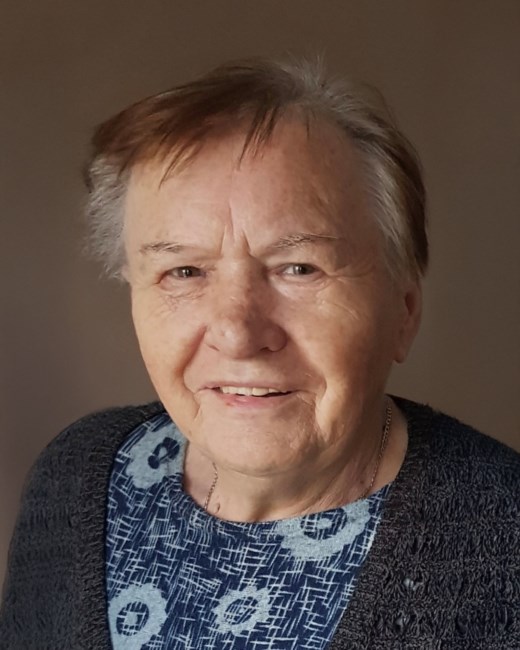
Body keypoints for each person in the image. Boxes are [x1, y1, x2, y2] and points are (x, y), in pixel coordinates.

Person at [1, 58, 518, 650]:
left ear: (403, 311)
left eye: (298, 268)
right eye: (184, 271)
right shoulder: (74, 480)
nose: (238, 333)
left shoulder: (504, 542)